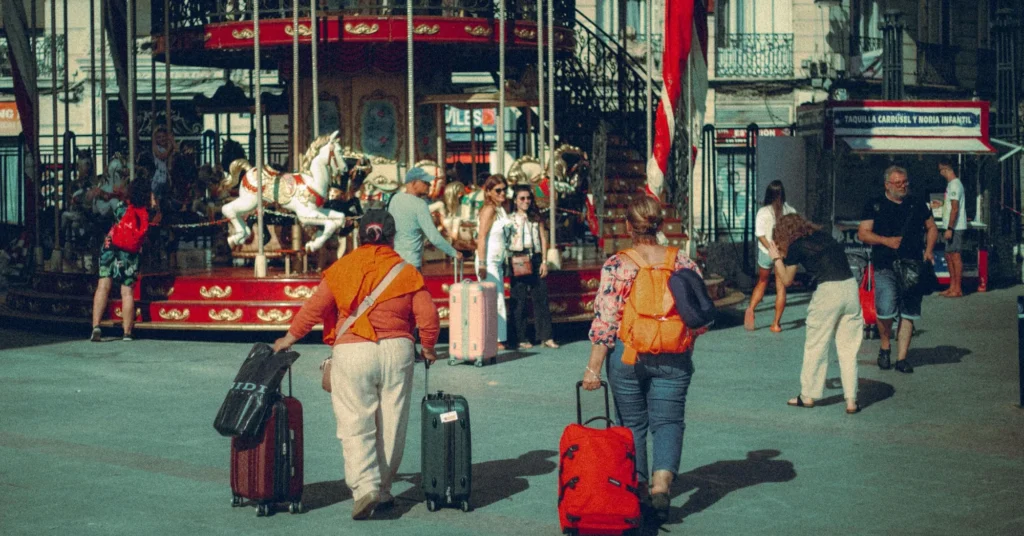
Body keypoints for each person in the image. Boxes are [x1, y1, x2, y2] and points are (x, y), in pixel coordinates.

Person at [272, 210, 440, 520]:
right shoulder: (406, 271)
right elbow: (428, 316)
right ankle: (384, 490)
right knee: (392, 424)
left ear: (359, 236)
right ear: (392, 238)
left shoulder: (341, 268)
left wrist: (289, 337)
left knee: (355, 423)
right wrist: (427, 347)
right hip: (398, 350)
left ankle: (365, 487)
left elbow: (314, 308)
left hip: (352, 351)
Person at [582, 196, 707, 522]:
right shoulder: (683, 262)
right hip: (674, 357)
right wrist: (683, 342)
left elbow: (606, 320)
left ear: (628, 226)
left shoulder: (618, 265)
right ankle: (661, 486)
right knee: (668, 423)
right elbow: (700, 317)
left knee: (631, 424)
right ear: (660, 225)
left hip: (628, 357)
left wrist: (593, 369)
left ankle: (635, 490)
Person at [767, 214, 862, 414]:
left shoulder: (796, 246)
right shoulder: (824, 236)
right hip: (850, 288)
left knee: (816, 346)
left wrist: (776, 258)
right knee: (848, 349)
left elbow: (786, 280)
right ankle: (851, 400)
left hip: (828, 292)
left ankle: (808, 395)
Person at [858, 165, 938, 374]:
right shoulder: (874, 204)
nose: (903, 186)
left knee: (909, 312)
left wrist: (929, 250)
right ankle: (885, 346)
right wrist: (886, 241)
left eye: (905, 182)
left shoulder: (917, 203)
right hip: (885, 264)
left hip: (912, 266)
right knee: (885, 309)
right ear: (887, 185)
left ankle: (902, 358)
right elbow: (863, 233)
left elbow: (931, 227)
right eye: (898, 183)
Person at [90, 177, 154, 342]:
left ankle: (96, 326)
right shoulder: (145, 214)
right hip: (129, 253)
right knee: (127, 292)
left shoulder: (120, 207)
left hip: (110, 247)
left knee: (103, 285)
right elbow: (154, 218)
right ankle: (127, 332)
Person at [507, 185, 558, 350]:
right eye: (522, 198)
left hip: (535, 257)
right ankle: (520, 337)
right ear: (515, 200)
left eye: (528, 198)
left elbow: (543, 238)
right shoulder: (509, 219)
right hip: (518, 257)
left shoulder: (536, 218)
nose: (526, 201)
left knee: (541, 297)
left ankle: (546, 336)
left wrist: (544, 261)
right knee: (519, 299)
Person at [745, 180, 797, 332]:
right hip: (783, 254)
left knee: (762, 281)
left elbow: (760, 235)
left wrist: (770, 249)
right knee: (781, 288)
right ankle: (776, 324)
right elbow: (795, 232)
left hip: (766, 252)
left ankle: (751, 309)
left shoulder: (763, 212)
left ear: (768, 194)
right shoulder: (790, 211)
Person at [388, 167, 462, 270]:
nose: (429, 185)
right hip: (412, 262)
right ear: (414, 183)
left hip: (395, 260)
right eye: (425, 182)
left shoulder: (395, 199)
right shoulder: (420, 204)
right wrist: (454, 253)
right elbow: (434, 238)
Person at [475, 174, 513, 349]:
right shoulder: (489, 210)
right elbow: (481, 237)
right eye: (498, 190)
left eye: (504, 189)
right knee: (494, 299)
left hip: (497, 261)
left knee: (497, 298)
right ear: (488, 192)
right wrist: (482, 263)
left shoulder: (500, 209)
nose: (502, 193)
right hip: (488, 261)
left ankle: (497, 337)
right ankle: (495, 339)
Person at [933, 159, 967, 297]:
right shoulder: (951, 185)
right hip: (950, 225)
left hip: (955, 227)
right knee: (948, 256)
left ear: (946, 169)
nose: (940, 173)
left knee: (955, 255)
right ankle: (952, 286)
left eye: (940, 170)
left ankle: (957, 289)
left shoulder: (955, 185)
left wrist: (950, 229)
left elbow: (955, 208)